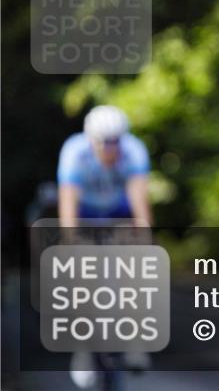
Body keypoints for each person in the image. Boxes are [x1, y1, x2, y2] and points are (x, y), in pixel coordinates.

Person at [57, 105, 152, 387]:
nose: (110, 148)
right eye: (104, 142)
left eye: (115, 141)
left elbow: (139, 202)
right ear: (91, 140)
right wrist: (69, 242)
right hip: (86, 216)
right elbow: (68, 203)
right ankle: (83, 349)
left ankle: (136, 343)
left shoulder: (134, 151)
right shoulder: (74, 152)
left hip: (118, 214)